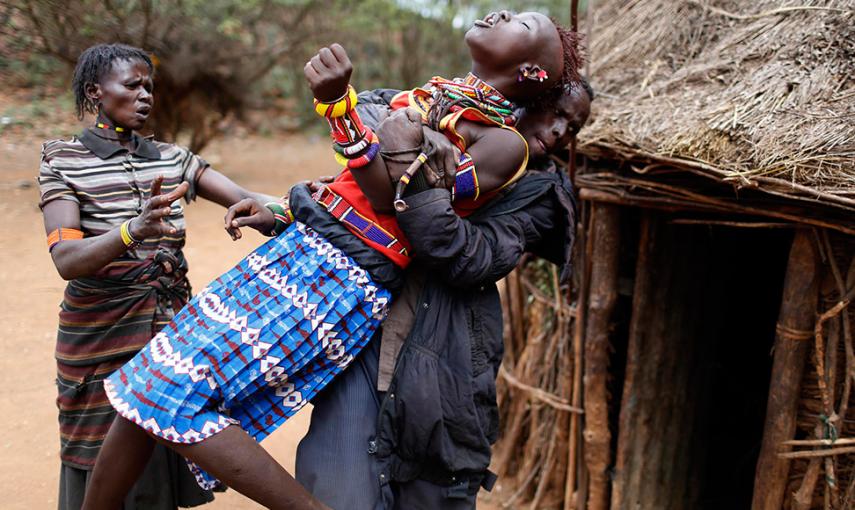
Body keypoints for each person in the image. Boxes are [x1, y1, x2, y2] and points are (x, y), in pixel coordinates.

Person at [82, 11, 580, 510]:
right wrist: (343, 123)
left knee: (170, 396)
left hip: (342, 276)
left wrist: (344, 111)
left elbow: (388, 199)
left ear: (532, 72)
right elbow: (360, 173)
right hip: (299, 250)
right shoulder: (429, 96)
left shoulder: (505, 145)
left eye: (520, 21)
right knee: (142, 386)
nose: (498, 14)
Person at [295, 81, 593, 509]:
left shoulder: (540, 195)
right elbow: (375, 118)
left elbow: (463, 254)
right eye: (556, 112)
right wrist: (417, 141)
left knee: (430, 486)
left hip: (446, 360)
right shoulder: (444, 117)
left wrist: (411, 171)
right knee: (338, 486)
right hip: (365, 336)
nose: (563, 130)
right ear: (520, 101)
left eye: (574, 127)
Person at [38, 43, 281, 510]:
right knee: (101, 457)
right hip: (100, 337)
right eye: (132, 85)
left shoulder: (174, 159)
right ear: (96, 92)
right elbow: (66, 257)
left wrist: (302, 205)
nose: (145, 95)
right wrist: (132, 231)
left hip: (169, 335)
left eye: (148, 85)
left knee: (161, 445)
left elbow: (246, 199)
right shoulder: (64, 160)